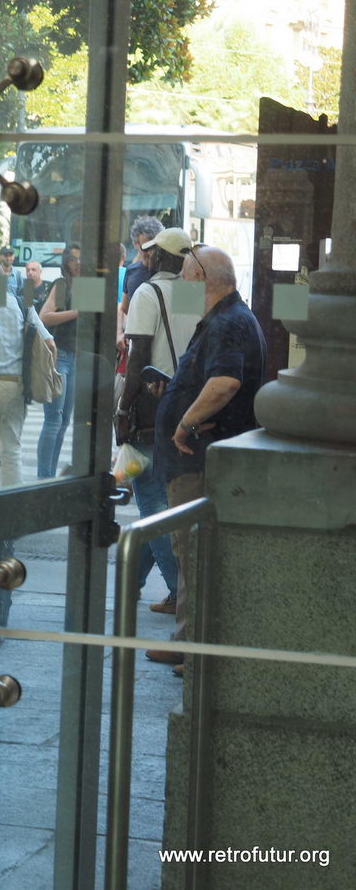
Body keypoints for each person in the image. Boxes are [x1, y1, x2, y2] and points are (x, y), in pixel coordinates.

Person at [147, 246, 266, 674]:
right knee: (188, 553)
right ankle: (185, 642)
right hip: (196, 459)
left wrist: (185, 423)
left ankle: (196, 653)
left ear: (201, 278)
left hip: (198, 460)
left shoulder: (228, 321)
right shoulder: (229, 318)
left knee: (194, 553)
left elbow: (225, 382)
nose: (181, 284)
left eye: (184, 276)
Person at [116, 227, 199, 615]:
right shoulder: (191, 292)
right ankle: (132, 584)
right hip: (188, 403)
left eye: (152, 254)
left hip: (152, 405)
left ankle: (179, 591)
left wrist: (122, 408)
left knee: (151, 501)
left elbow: (137, 358)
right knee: (163, 496)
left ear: (164, 258)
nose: (146, 258)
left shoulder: (148, 293)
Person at [0, 261, 55, 488]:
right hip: (13, 386)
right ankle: (5, 509)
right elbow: (49, 343)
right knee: (10, 452)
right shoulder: (22, 305)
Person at [36, 243, 82, 479]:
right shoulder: (63, 284)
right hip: (61, 355)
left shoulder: (89, 285)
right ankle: (44, 478)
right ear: (66, 262)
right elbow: (44, 317)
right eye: (73, 259)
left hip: (79, 358)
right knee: (53, 420)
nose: (78, 263)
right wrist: (76, 312)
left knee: (64, 422)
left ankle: (50, 477)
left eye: (82, 259)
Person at [117, 216, 163, 352]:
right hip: (137, 343)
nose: (150, 252)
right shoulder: (131, 271)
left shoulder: (174, 272)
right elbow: (124, 308)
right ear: (135, 244)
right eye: (145, 247)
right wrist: (120, 332)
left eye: (154, 247)